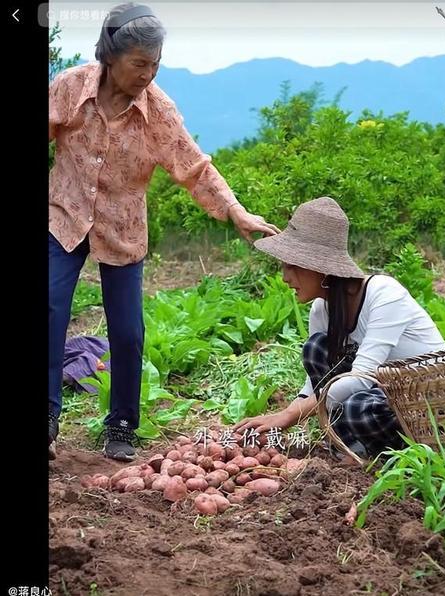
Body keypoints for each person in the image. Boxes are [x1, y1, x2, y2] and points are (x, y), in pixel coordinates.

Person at [49, 2, 279, 461]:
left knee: (129, 333)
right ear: (110, 57)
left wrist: (236, 212)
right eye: (139, 63)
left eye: (155, 64)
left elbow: (194, 168)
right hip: (65, 213)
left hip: (123, 228)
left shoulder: (159, 112)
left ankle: (121, 426)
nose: (148, 74)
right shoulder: (72, 88)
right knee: (50, 307)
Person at [234, 197, 445, 457]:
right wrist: (289, 412)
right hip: (381, 393)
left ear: (321, 268)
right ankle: (355, 450)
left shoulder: (384, 294)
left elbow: (360, 378)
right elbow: (316, 381)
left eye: (292, 266)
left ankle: (390, 453)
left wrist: (290, 416)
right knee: (316, 349)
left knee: (359, 408)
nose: (285, 277)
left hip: (425, 402)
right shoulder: (322, 309)